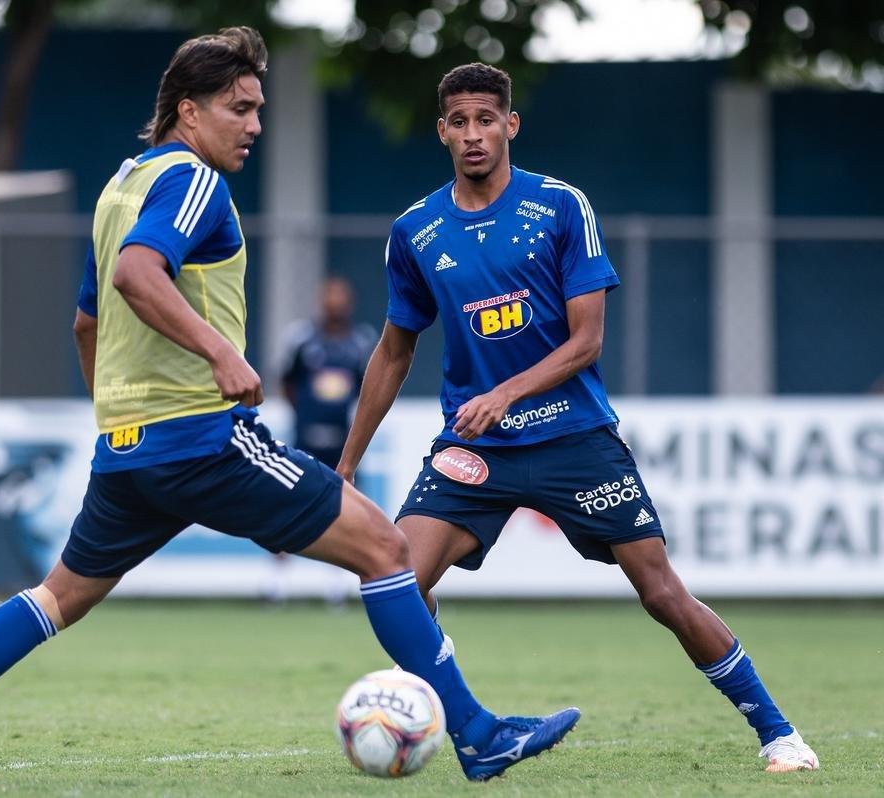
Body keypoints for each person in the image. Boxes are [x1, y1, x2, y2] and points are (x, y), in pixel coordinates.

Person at [0, 30, 578, 782]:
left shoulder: (121, 188)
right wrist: (219, 352)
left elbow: (86, 322)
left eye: (258, 109)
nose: (255, 125)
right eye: (240, 108)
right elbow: (139, 275)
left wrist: (119, 418)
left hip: (129, 451)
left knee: (58, 596)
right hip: (203, 441)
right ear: (188, 110)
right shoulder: (194, 181)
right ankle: (477, 734)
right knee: (387, 549)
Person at [336, 62, 819, 774]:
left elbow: (586, 340)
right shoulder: (415, 229)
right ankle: (463, 714)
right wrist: (347, 464)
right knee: (395, 578)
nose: (474, 135)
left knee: (661, 592)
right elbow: (393, 350)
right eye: (459, 122)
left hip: (574, 437)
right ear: (442, 132)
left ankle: (779, 733)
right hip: (477, 449)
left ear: (510, 124)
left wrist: (505, 393)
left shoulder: (561, 206)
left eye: (486, 120)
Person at [280, 277, 376, 469]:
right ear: (320, 300)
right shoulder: (302, 338)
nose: (335, 301)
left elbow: (369, 389)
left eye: (341, 295)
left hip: (346, 441)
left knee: (345, 486)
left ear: (351, 302)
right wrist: (306, 411)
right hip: (305, 439)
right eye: (330, 295)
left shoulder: (363, 342)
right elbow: (286, 381)